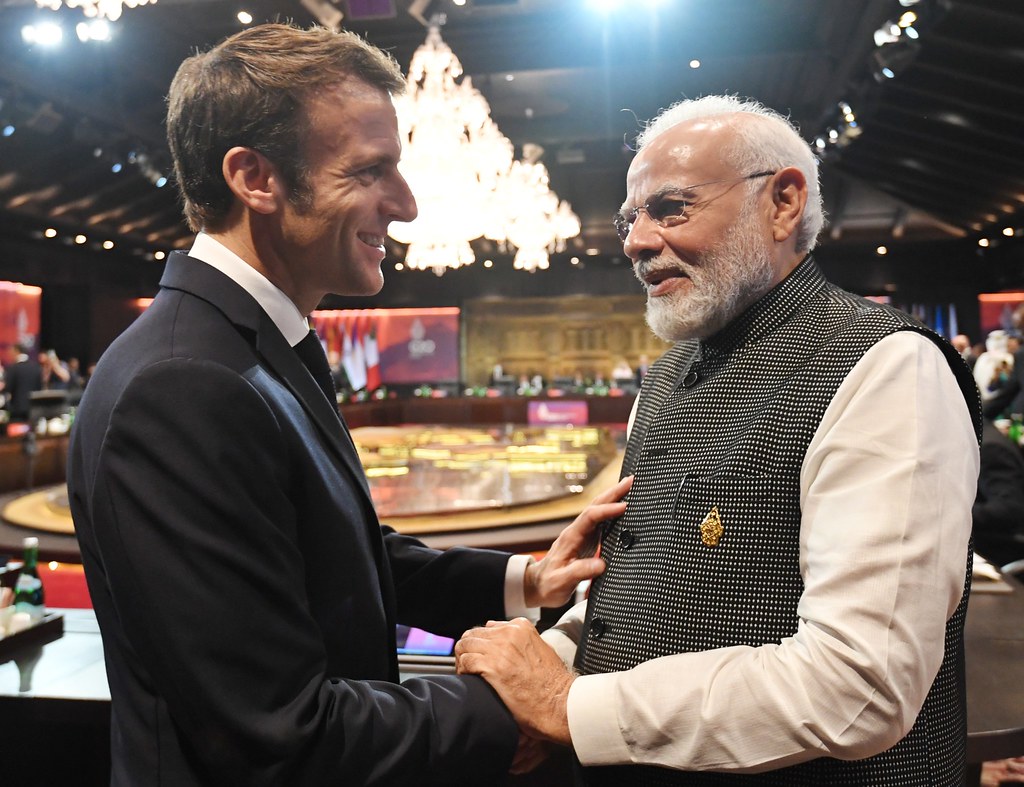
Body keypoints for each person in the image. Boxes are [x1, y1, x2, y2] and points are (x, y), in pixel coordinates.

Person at [67, 24, 628, 786]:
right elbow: (279, 733)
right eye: (371, 171)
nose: (407, 204)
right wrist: (527, 705)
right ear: (255, 178)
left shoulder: (246, 345)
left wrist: (526, 579)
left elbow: (332, 553)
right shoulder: (180, 386)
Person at [456, 94, 981, 784]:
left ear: (783, 203)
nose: (636, 241)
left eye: (671, 207)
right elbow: (633, 594)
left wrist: (569, 706)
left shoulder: (886, 366)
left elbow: (859, 684)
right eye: (630, 218)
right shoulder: (667, 372)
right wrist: (545, 666)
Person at [973, 416, 1024, 567]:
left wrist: (955, 513)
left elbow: (1009, 509)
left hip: (1000, 548)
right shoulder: (980, 432)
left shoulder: (990, 448)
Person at [3, 343, 42, 423]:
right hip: (33, 409)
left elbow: (8, 387)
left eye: (11, 352)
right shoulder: (36, 367)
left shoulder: (13, 368)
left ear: (16, 351)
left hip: (17, 410)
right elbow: (39, 387)